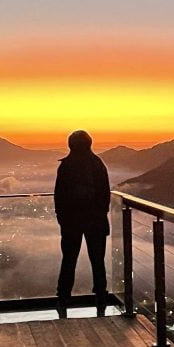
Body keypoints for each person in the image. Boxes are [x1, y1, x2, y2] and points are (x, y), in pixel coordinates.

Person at [54, 129, 112, 317]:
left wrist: (62, 219)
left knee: (69, 261)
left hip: (71, 223)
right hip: (95, 222)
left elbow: (59, 196)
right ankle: (101, 299)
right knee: (98, 261)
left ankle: (63, 299)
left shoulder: (66, 166)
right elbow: (105, 195)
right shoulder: (97, 164)